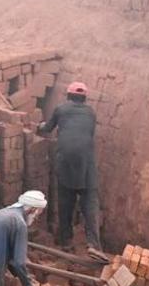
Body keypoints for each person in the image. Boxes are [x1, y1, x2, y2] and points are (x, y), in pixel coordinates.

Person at [38, 81, 102, 258]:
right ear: (84, 98)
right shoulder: (91, 113)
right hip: (86, 164)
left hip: (65, 162)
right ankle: (94, 245)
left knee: (66, 203)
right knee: (90, 204)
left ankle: (66, 242)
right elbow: (85, 134)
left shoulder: (61, 110)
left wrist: (39, 126)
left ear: (68, 96)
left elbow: (47, 128)